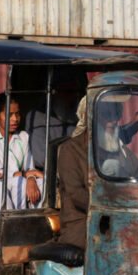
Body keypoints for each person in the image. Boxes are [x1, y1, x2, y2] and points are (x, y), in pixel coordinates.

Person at [0, 93, 44, 209]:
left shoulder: (23, 136)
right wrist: (26, 175)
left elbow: (29, 167)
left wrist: (31, 178)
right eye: (9, 114)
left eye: (17, 114)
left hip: (20, 180)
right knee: (19, 182)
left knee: (42, 183)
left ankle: (37, 220)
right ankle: (18, 220)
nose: (15, 119)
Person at [57, 97, 89, 250]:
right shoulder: (70, 149)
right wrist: (112, 208)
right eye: (108, 115)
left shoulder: (113, 148)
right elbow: (76, 194)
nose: (114, 121)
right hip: (82, 225)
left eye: (116, 115)